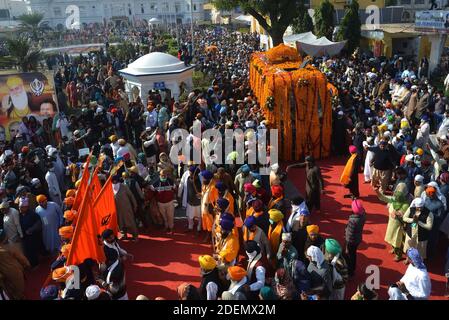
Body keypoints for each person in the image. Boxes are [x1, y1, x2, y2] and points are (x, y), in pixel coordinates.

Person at [375, 183, 410, 261]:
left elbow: (402, 215)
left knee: (397, 241)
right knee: (391, 238)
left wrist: (397, 213)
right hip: (391, 224)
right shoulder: (394, 200)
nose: (396, 197)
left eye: (398, 196)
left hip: (399, 226)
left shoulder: (405, 205)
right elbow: (384, 198)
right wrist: (377, 192)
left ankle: (399, 254)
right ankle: (394, 249)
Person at [99, 229, 133, 300]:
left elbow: (119, 249)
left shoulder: (113, 242)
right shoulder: (105, 249)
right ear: (106, 239)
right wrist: (121, 259)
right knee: (115, 287)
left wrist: (126, 254)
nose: (113, 238)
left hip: (118, 267)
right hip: (111, 270)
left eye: (112, 236)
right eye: (110, 237)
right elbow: (107, 262)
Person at [0, 229, 29, 300]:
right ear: (5, 237)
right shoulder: (10, 247)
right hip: (15, 273)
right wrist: (27, 265)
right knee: (19, 290)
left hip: (3, 276)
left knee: (9, 291)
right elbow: (21, 258)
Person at [112, 175, 138, 241]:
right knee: (121, 223)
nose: (115, 183)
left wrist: (135, 205)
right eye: (113, 181)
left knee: (131, 222)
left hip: (127, 208)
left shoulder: (124, 187)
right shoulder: (110, 188)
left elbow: (131, 196)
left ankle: (135, 236)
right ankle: (124, 235)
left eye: (116, 181)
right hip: (117, 210)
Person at [344, 198, 366, 276]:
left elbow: (349, 233)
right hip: (357, 239)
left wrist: (346, 244)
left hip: (351, 241)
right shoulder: (363, 216)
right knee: (353, 254)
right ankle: (352, 269)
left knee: (350, 255)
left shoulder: (352, 220)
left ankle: (350, 271)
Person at [151, 169, 176, 234]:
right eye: (162, 175)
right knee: (164, 216)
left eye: (164, 175)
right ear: (160, 175)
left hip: (170, 202)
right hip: (160, 203)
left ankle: (171, 227)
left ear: (166, 175)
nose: (163, 176)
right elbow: (152, 193)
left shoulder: (171, 182)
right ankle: (166, 226)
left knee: (170, 216)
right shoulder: (155, 184)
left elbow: (175, 189)